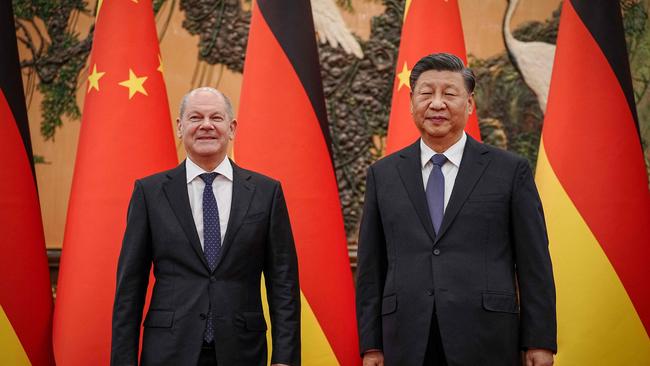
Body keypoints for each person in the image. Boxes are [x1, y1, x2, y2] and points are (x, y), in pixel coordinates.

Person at [355, 53, 556, 366]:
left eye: (449, 94)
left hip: (487, 338)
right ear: (411, 103)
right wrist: (371, 345)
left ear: (470, 103)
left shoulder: (509, 171)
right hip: (406, 340)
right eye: (426, 93)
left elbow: (534, 263)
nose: (437, 104)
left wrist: (539, 340)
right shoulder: (383, 174)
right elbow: (371, 268)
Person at [111, 87, 300, 366]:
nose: (206, 125)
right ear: (180, 127)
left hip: (243, 351)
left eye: (216, 118)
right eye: (196, 117)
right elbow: (130, 286)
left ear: (232, 128)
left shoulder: (266, 192)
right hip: (169, 351)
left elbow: (283, 283)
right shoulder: (150, 193)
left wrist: (285, 359)